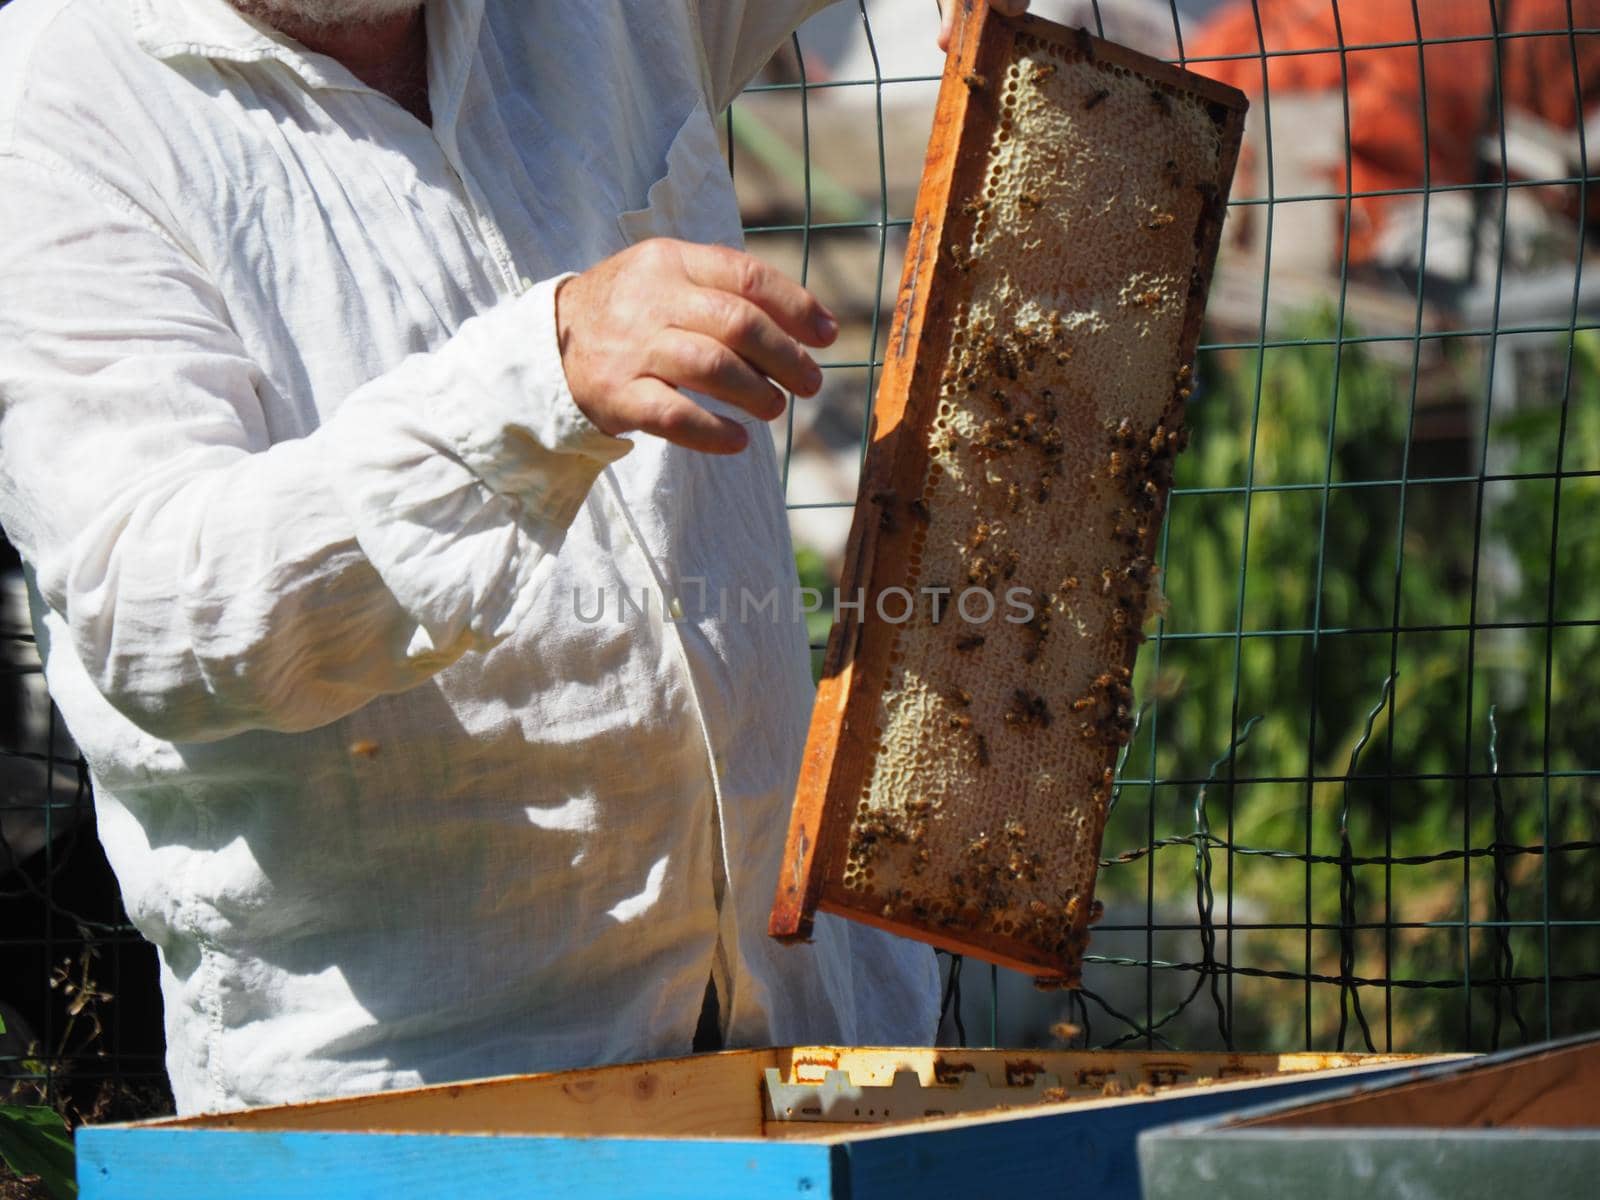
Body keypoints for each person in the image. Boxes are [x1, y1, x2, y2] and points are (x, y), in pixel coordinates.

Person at [0, 0, 1028, 1115]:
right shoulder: (57, 109)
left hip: (823, 1045)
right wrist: (540, 376)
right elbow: (151, 613)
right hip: (424, 1102)